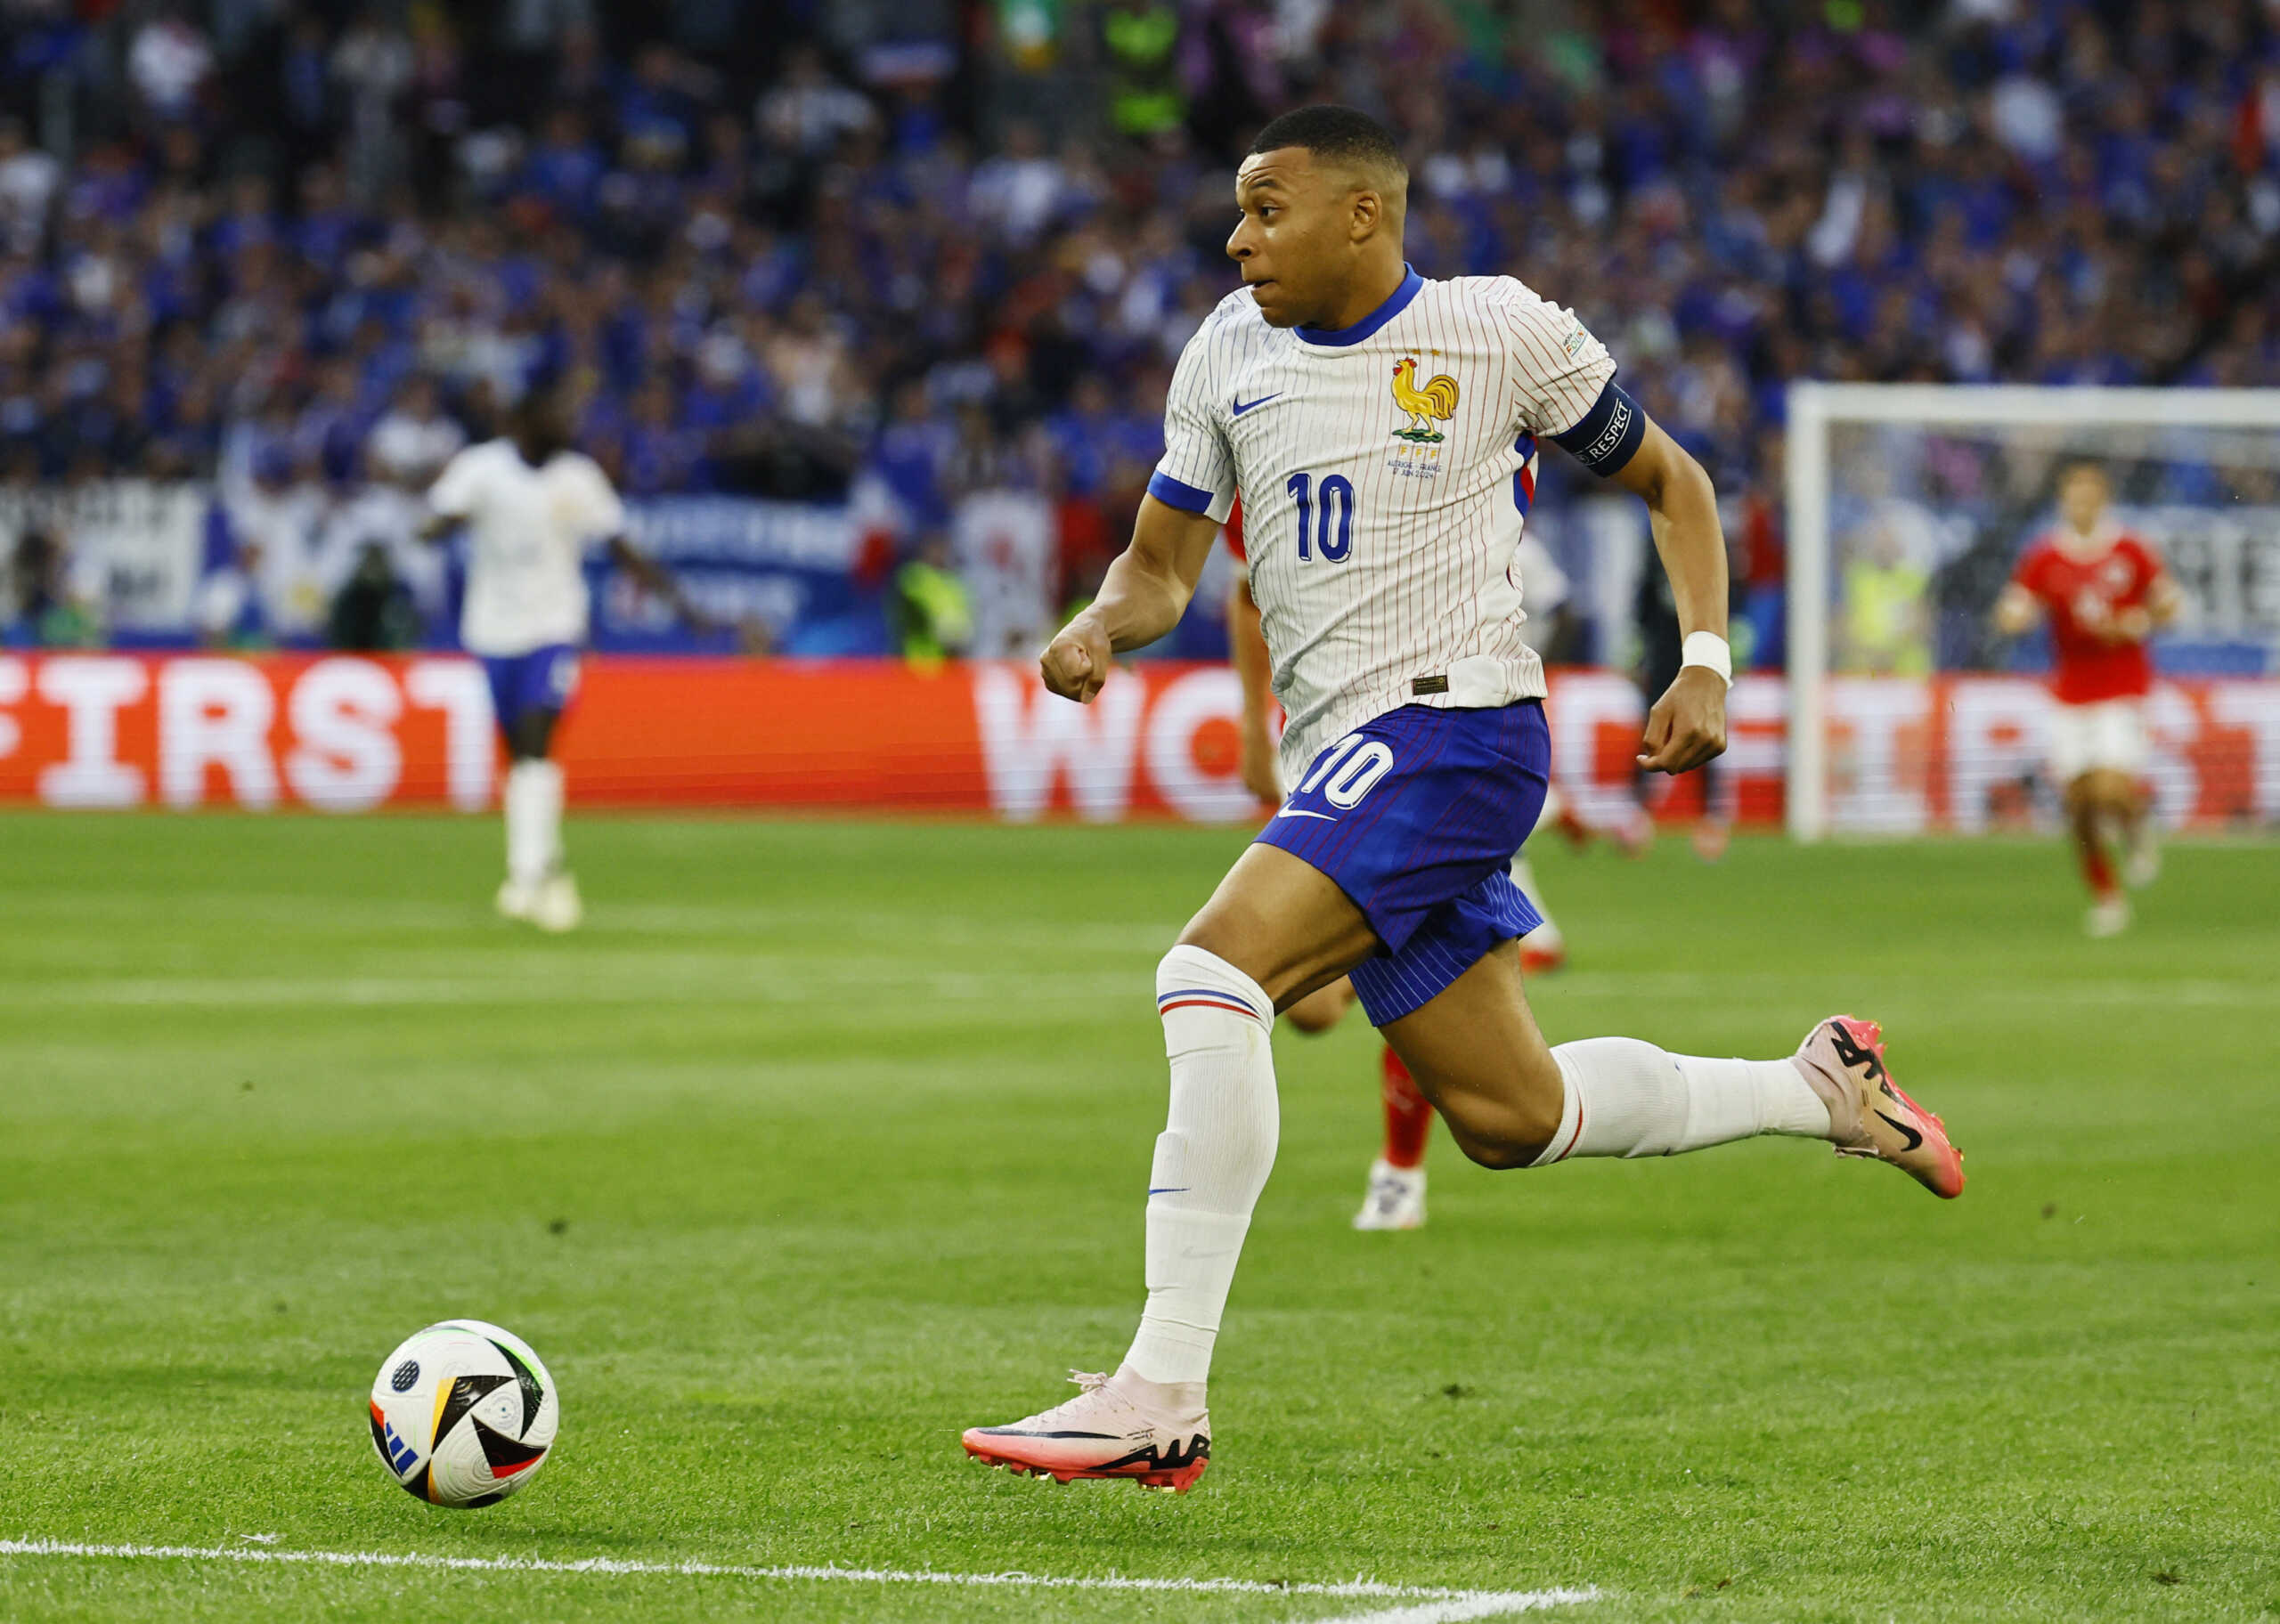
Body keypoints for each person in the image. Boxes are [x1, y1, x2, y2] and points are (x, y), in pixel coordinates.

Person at [961, 106, 1964, 1494]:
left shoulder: (1500, 330)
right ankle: (1818, 1090)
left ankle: (1160, 1391)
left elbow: (1676, 484)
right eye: (1238, 213)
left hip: (1457, 727)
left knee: (1210, 971)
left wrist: (1708, 661)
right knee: (1513, 1117)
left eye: (1266, 207)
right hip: (1349, 758)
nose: (1236, 235)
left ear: (1362, 214)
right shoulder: (1226, 350)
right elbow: (1159, 567)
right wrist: (1096, 625)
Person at [1226, 497, 1568, 1233]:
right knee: (1313, 1007)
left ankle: (1399, 1172)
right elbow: (1245, 587)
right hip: (1329, 751)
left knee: (1427, 973)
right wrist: (1254, 726)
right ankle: (1796, 1091)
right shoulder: (1281, 429)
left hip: (1440, 745)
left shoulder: (1472, 481)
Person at [425, 386, 703, 932]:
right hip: (492, 628)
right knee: (519, 753)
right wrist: (436, 526)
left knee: (537, 740)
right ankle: (546, 871)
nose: (565, 426)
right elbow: (440, 515)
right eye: (554, 415)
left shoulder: (578, 476)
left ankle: (525, 874)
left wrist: (678, 601)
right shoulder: (483, 468)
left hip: (554, 627)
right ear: (524, 421)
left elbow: (618, 543)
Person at [1992, 461, 2180, 937]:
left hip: (2123, 688)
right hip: (2070, 693)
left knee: (2111, 789)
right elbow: (2013, 606)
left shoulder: (2131, 549)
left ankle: (2137, 829)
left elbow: (2170, 605)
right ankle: (2107, 897)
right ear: (2063, 501)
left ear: (2103, 499)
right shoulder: (2045, 556)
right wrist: (2014, 617)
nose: (2080, 504)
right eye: (2072, 496)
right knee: (2077, 806)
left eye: (2088, 496)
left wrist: (2136, 621)